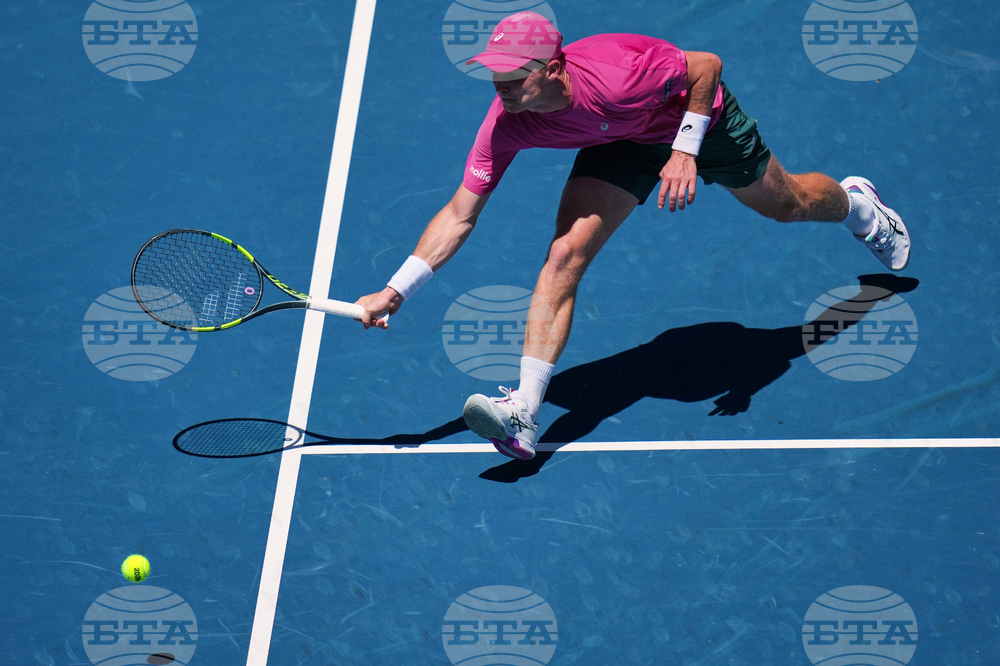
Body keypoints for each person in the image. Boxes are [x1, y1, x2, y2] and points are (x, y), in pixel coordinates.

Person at [354, 12, 910, 461]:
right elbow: (459, 214)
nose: (501, 87)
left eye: (513, 76)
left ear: (551, 68)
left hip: (698, 126)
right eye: (494, 74)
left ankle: (858, 205)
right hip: (620, 142)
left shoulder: (620, 74)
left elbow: (706, 66)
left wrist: (685, 151)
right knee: (564, 254)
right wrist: (395, 291)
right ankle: (524, 409)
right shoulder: (507, 122)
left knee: (790, 205)